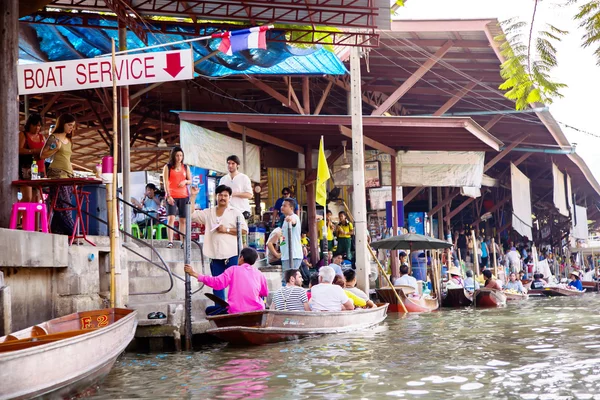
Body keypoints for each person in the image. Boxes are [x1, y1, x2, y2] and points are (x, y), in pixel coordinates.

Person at [190, 185, 248, 301]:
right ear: (216, 196)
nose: (222, 197)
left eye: (225, 195)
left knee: (235, 284)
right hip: (215, 255)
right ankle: (219, 311)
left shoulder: (235, 212)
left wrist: (226, 230)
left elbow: (244, 230)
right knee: (217, 286)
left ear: (229, 197)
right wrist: (193, 196)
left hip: (232, 254)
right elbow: (191, 215)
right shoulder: (209, 212)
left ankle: (235, 309)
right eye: (220, 195)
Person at [184, 247, 267, 314]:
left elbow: (216, 282)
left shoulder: (233, 269)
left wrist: (194, 274)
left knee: (209, 310)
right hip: (258, 310)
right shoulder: (260, 274)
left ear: (241, 258)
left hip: (236, 310)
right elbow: (264, 293)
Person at [40, 113, 76, 235]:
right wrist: (55, 148)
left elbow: (67, 158)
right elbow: (42, 155)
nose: (71, 128)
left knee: (61, 204)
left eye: (73, 126)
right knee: (64, 204)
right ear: (63, 124)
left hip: (68, 175)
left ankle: (57, 232)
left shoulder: (69, 140)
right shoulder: (54, 138)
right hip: (57, 174)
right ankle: (73, 232)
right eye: (69, 125)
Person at [162, 146, 192, 248]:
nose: (179, 158)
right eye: (177, 155)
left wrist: (185, 181)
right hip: (172, 195)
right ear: (173, 156)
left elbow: (190, 180)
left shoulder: (185, 167)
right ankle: (170, 241)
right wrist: (168, 195)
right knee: (171, 218)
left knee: (183, 220)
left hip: (184, 195)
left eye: (181, 155)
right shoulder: (168, 167)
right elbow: (165, 181)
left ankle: (182, 241)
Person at [18, 113, 46, 202]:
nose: (37, 128)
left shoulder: (42, 137)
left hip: (40, 169)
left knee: (37, 199)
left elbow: (44, 155)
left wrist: (44, 172)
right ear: (29, 125)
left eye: (39, 126)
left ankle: (31, 216)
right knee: (27, 198)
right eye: (35, 125)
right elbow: (18, 150)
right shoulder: (23, 135)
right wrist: (33, 151)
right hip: (27, 169)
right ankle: (17, 216)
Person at [280, 199, 303, 280]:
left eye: (284, 206)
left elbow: (294, 222)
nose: (282, 207)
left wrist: (291, 220)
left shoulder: (294, 217)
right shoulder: (285, 220)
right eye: (282, 205)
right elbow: (283, 237)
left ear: (291, 208)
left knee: (290, 279)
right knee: (287, 279)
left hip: (293, 254)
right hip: (286, 255)